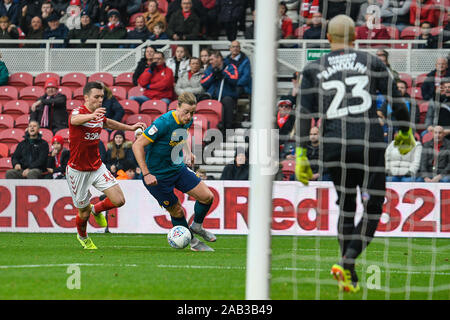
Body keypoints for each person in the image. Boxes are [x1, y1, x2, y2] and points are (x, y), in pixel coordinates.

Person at [296, 15, 413, 293]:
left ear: (327, 39)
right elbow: (396, 100)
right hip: (368, 143)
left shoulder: (313, 68)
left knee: (346, 205)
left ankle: (348, 273)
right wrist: (406, 131)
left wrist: (301, 152)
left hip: (333, 145)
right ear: (355, 38)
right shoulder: (371, 61)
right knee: (373, 208)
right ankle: (348, 262)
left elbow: (304, 114)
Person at [66, 81, 146, 249]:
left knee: (119, 200)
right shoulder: (79, 112)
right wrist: (91, 116)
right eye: (96, 97)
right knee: (83, 212)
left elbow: (108, 123)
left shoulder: (99, 114)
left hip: (96, 167)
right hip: (77, 171)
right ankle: (83, 237)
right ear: (86, 97)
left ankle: (97, 210)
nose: (100, 100)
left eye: (102, 97)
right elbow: (74, 120)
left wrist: (131, 128)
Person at [132, 92, 216, 252]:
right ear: (177, 107)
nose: (189, 116)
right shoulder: (163, 123)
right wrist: (146, 173)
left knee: (207, 197)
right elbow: (137, 145)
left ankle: (197, 226)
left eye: (192, 112)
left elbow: (181, 135)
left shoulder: (187, 119)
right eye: (186, 112)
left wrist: (188, 152)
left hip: (177, 169)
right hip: (157, 176)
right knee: (176, 209)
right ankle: (193, 244)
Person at [200, 49, 239, 132]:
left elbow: (234, 79)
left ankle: (227, 130)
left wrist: (223, 73)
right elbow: (203, 82)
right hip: (213, 96)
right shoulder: (209, 69)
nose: (210, 62)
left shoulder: (230, 66)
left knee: (227, 101)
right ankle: (208, 129)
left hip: (227, 95)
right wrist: (213, 75)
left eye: (212, 59)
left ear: (219, 58)